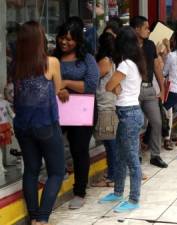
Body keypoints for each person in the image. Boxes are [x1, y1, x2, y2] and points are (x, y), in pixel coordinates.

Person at [13, 21, 65, 225]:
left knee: (31, 170)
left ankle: (33, 215)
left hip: (22, 126)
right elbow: (57, 90)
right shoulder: (51, 62)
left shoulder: (15, 65)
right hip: (46, 124)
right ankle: (42, 219)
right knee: (57, 171)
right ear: (40, 39)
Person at [53, 18, 100, 209]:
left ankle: (79, 191)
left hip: (82, 111)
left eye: (70, 39)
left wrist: (66, 83)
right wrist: (58, 88)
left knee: (79, 150)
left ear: (79, 41)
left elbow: (90, 85)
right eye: (62, 38)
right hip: (58, 110)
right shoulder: (53, 58)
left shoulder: (87, 59)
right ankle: (55, 177)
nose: (64, 42)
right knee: (53, 145)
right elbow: (46, 81)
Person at [99, 26, 146, 213]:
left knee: (131, 159)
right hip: (130, 113)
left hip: (128, 115)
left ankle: (134, 199)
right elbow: (118, 87)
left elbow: (109, 85)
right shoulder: (136, 62)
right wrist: (118, 88)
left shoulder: (125, 64)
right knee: (120, 156)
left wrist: (116, 88)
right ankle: (118, 192)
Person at [130, 16, 168, 168]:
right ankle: (136, 156)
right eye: (146, 27)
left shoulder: (150, 44)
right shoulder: (128, 46)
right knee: (137, 124)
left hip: (149, 88)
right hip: (133, 90)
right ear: (136, 29)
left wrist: (162, 87)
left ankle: (155, 155)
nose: (149, 30)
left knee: (157, 122)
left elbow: (157, 67)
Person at [91, 32, 117, 188]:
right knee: (110, 143)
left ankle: (112, 176)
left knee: (110, 144)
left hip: (105, 106)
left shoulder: (105, 61)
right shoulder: (113, 60)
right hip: (109, 104)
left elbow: (93, 80)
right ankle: (113, 173)